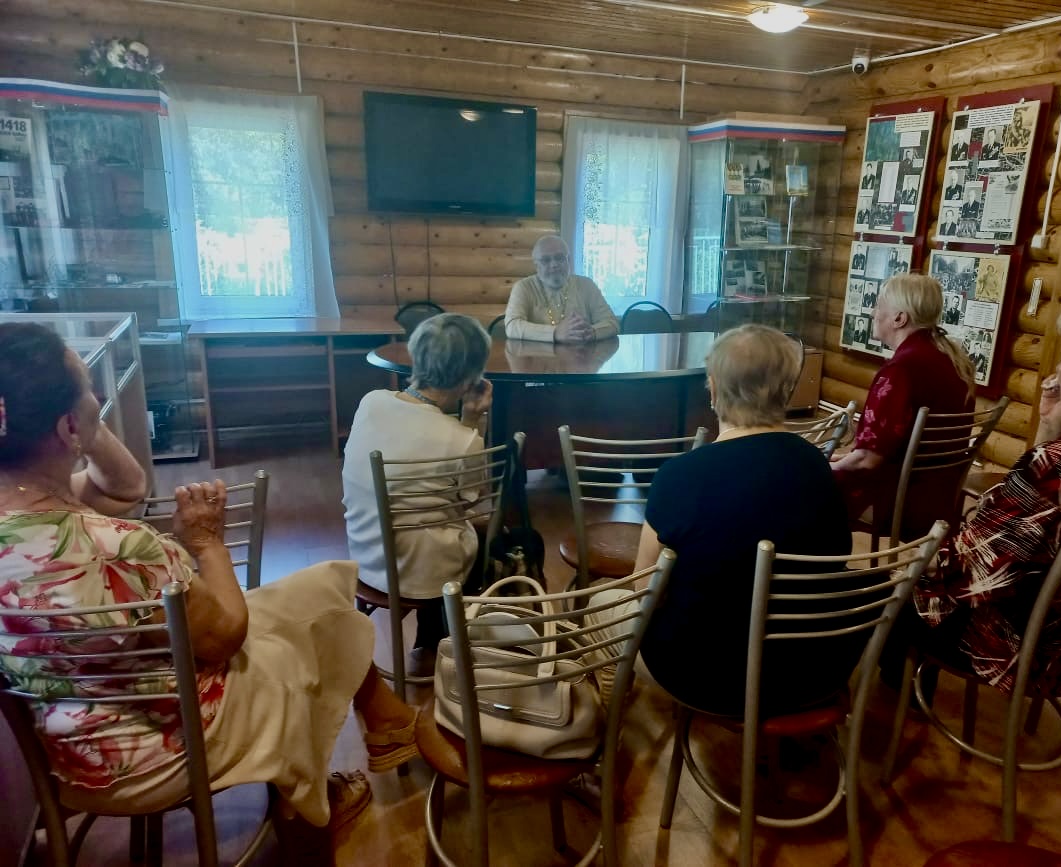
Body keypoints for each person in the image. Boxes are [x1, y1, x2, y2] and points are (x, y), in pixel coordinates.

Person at [0, 322, 416, 834]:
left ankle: (387, 723)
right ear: (67, 427)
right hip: (162, 753)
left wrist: (80, 420)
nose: (100, 400)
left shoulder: (27, 522)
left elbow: (125, 486)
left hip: (66, 754)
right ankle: (308, 811)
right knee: (307, 635)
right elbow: (224, 638)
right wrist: (206, 543)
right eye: (91, 392)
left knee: (322, 584)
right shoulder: (119, 546)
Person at [909, 288, 1061, 694]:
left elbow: (965, 572)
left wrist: (905, 568)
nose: (1058, 369)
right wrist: (1050, 427)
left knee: (877, 598)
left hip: (1013, 649)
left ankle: (884, 706)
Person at [633, 325, 852, 716]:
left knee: (606, 605)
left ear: (714, 389)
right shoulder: (817, 467)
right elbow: (836, 560)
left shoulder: (679, 476)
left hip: (708, 679)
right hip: (812, 671)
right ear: (787, 390)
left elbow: (644, 593)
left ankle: (609, 716)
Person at [343, 313, 494, 674]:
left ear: (416, 356)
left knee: (436, 525)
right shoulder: (461, 439)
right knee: (489, 531)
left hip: (366, 556)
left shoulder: (371, 402)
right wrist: (473, 420)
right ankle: (456, 641)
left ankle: (431, 637)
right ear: (470, 377)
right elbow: (472, 500)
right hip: (423, 576)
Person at [831, 274, 975, 537]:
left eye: (879, 306)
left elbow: (868, 460)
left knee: (801, 483)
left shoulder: (902, 369)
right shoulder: (953, 361)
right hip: (939, 496)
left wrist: (825, 466)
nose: (873, 313)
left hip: (898, 499)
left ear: (899, 318)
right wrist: (845, 459)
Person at [503, 235, 619, 343]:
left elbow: (612, 323)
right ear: (536, 266)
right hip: (537, 357)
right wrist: (555, 333)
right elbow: (512, 325)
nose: (554, 265)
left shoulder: (586, 285)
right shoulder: (524, 287)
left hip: (581, 356)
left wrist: (592, 332)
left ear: (569, 261)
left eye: (559, 258)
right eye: (546, 260)